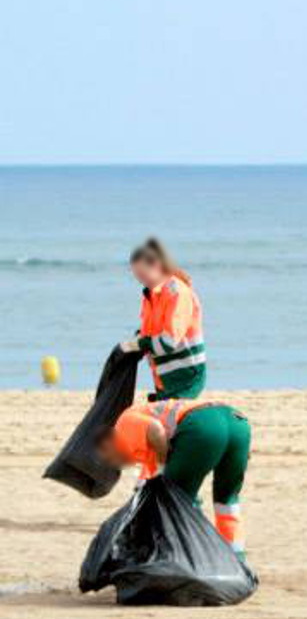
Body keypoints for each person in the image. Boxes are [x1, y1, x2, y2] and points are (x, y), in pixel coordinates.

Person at [97, 398, 250, 555]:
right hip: (237, 422)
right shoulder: (142, 445)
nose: (115, 465)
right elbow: (150, 479)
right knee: (227, 501)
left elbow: (156, 431)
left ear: (108, 442)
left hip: (204, 426)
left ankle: (193, 558)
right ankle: (236, 558)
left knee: (177, 499)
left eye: (108, 458)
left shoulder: (123, 425)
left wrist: (163, 466)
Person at [118, 238, 207, 401]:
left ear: (157, 266)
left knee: (170, 421)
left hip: (186, 375)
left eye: (143, 275)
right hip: (165, 377)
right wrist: (138, 339)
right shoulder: (150, 295)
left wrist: (139, 344)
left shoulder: (177, 293)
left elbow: (169, 341)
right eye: (137, 277)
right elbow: (149, 331)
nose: (141, 280)